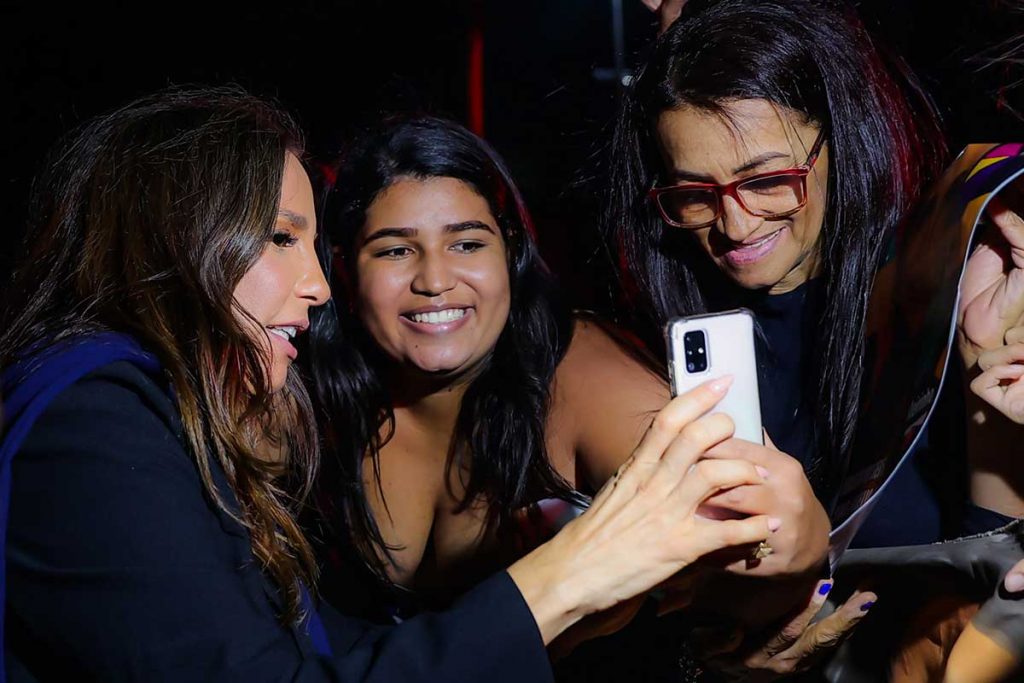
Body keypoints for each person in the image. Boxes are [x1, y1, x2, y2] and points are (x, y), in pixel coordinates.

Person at [0, 86, 780, 681]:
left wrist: (576, 607)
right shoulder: (94, 419)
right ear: (177, 233)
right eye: (281, 238)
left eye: (468, 242)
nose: (314, 285)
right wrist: (563, 578)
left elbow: (329, 650)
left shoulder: (570, 360)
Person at [308, 115, 851, 679]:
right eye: (395, 251)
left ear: (510, 252)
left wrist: (782, 581)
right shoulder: (309, 399)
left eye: (467, 243)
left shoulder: (576, 371)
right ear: (344, 269)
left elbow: (749, 546)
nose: (435, 279)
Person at [605, 0, 1024, 675]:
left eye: (769, 181)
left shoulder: (943, 286)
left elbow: (992, 575)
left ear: (841, 140)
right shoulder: (652, 351)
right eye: (694, 193)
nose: (735, 227)